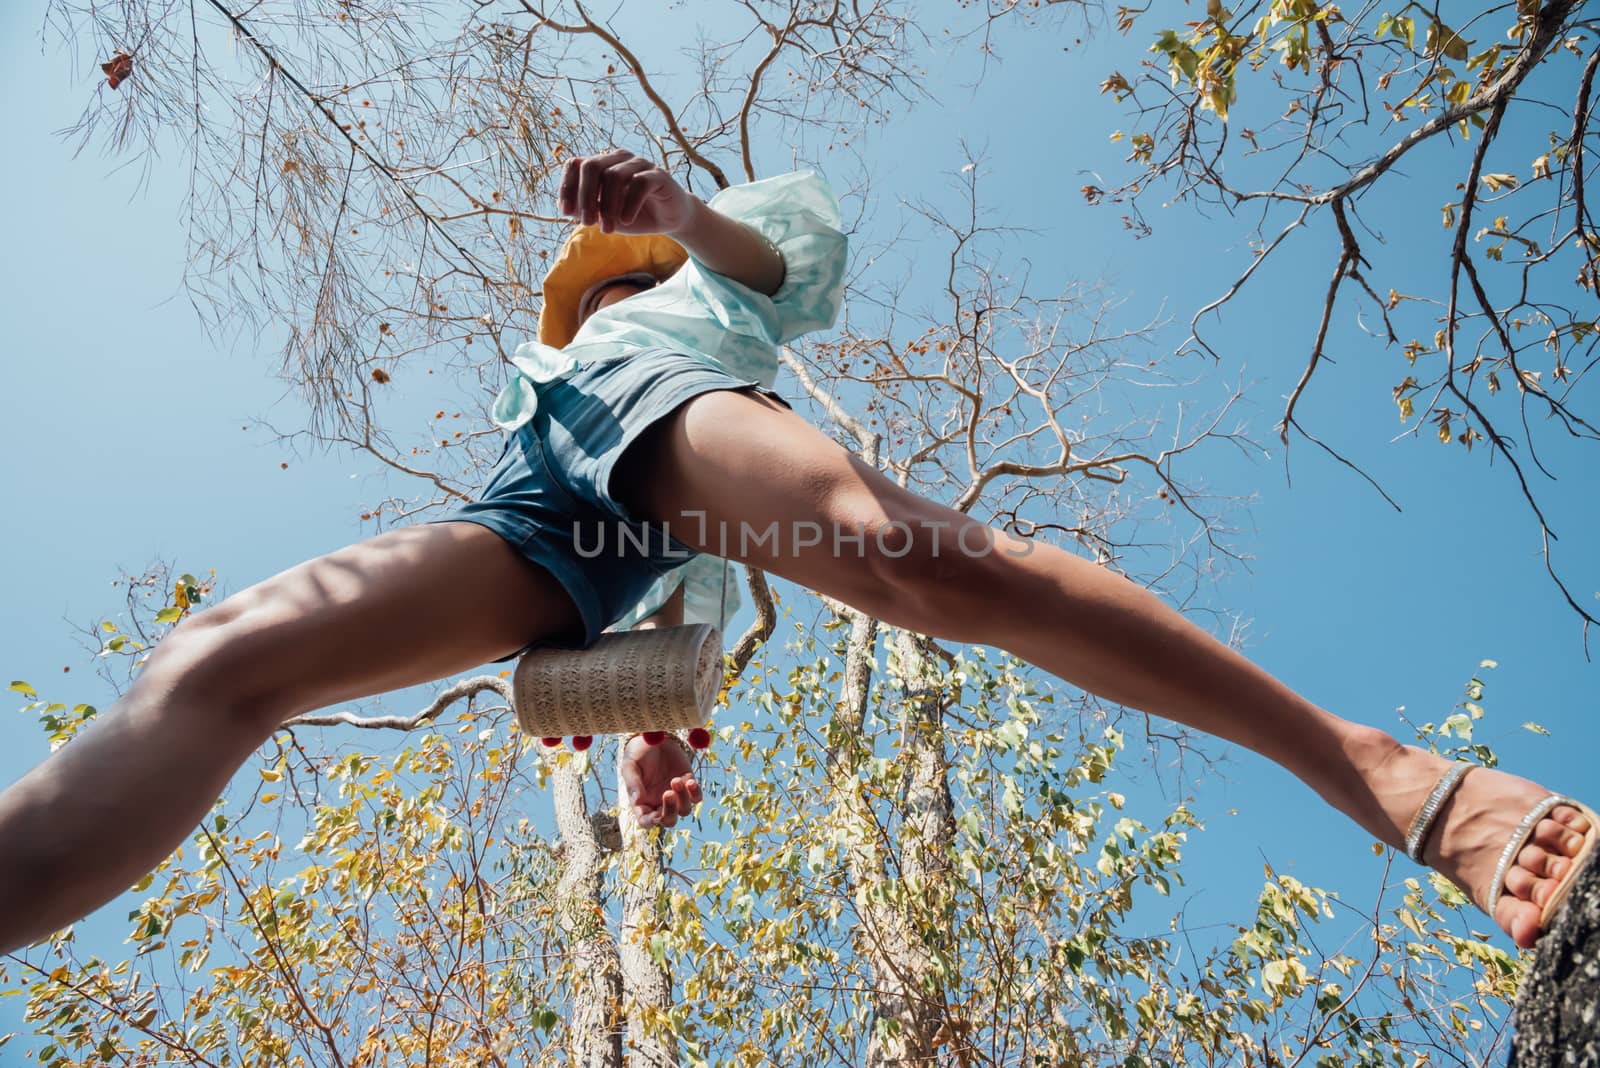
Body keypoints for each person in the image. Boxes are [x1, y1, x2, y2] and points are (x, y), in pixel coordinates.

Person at [0, 148, 1592, 958]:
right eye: (596, 264)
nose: (598, 268)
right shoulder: (539, 363)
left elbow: (780, 260)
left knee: (909, 558)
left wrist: (682, 212)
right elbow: (665, 616)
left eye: (616, 254)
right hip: (546, 510)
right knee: (217, 661)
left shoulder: (708, 288)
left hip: (679, 417)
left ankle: (1385, 777)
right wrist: (651, 738)